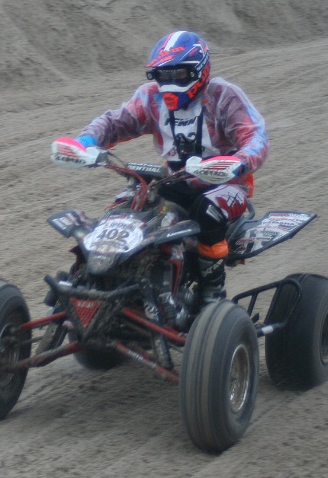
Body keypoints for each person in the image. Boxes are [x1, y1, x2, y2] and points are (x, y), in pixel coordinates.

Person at [51, 30, 269, 304]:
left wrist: (239, 161)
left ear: (198, 71)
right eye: (162, 75)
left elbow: (256, 136)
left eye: (177, 75)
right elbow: (117, 121)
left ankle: (212, 292)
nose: (169, 83)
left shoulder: (223, 96)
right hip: (174, 180)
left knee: (208, 211)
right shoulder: (151, 97)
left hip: (226, 183)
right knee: (125, 205)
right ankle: (93, 276)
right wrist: (86, 140)